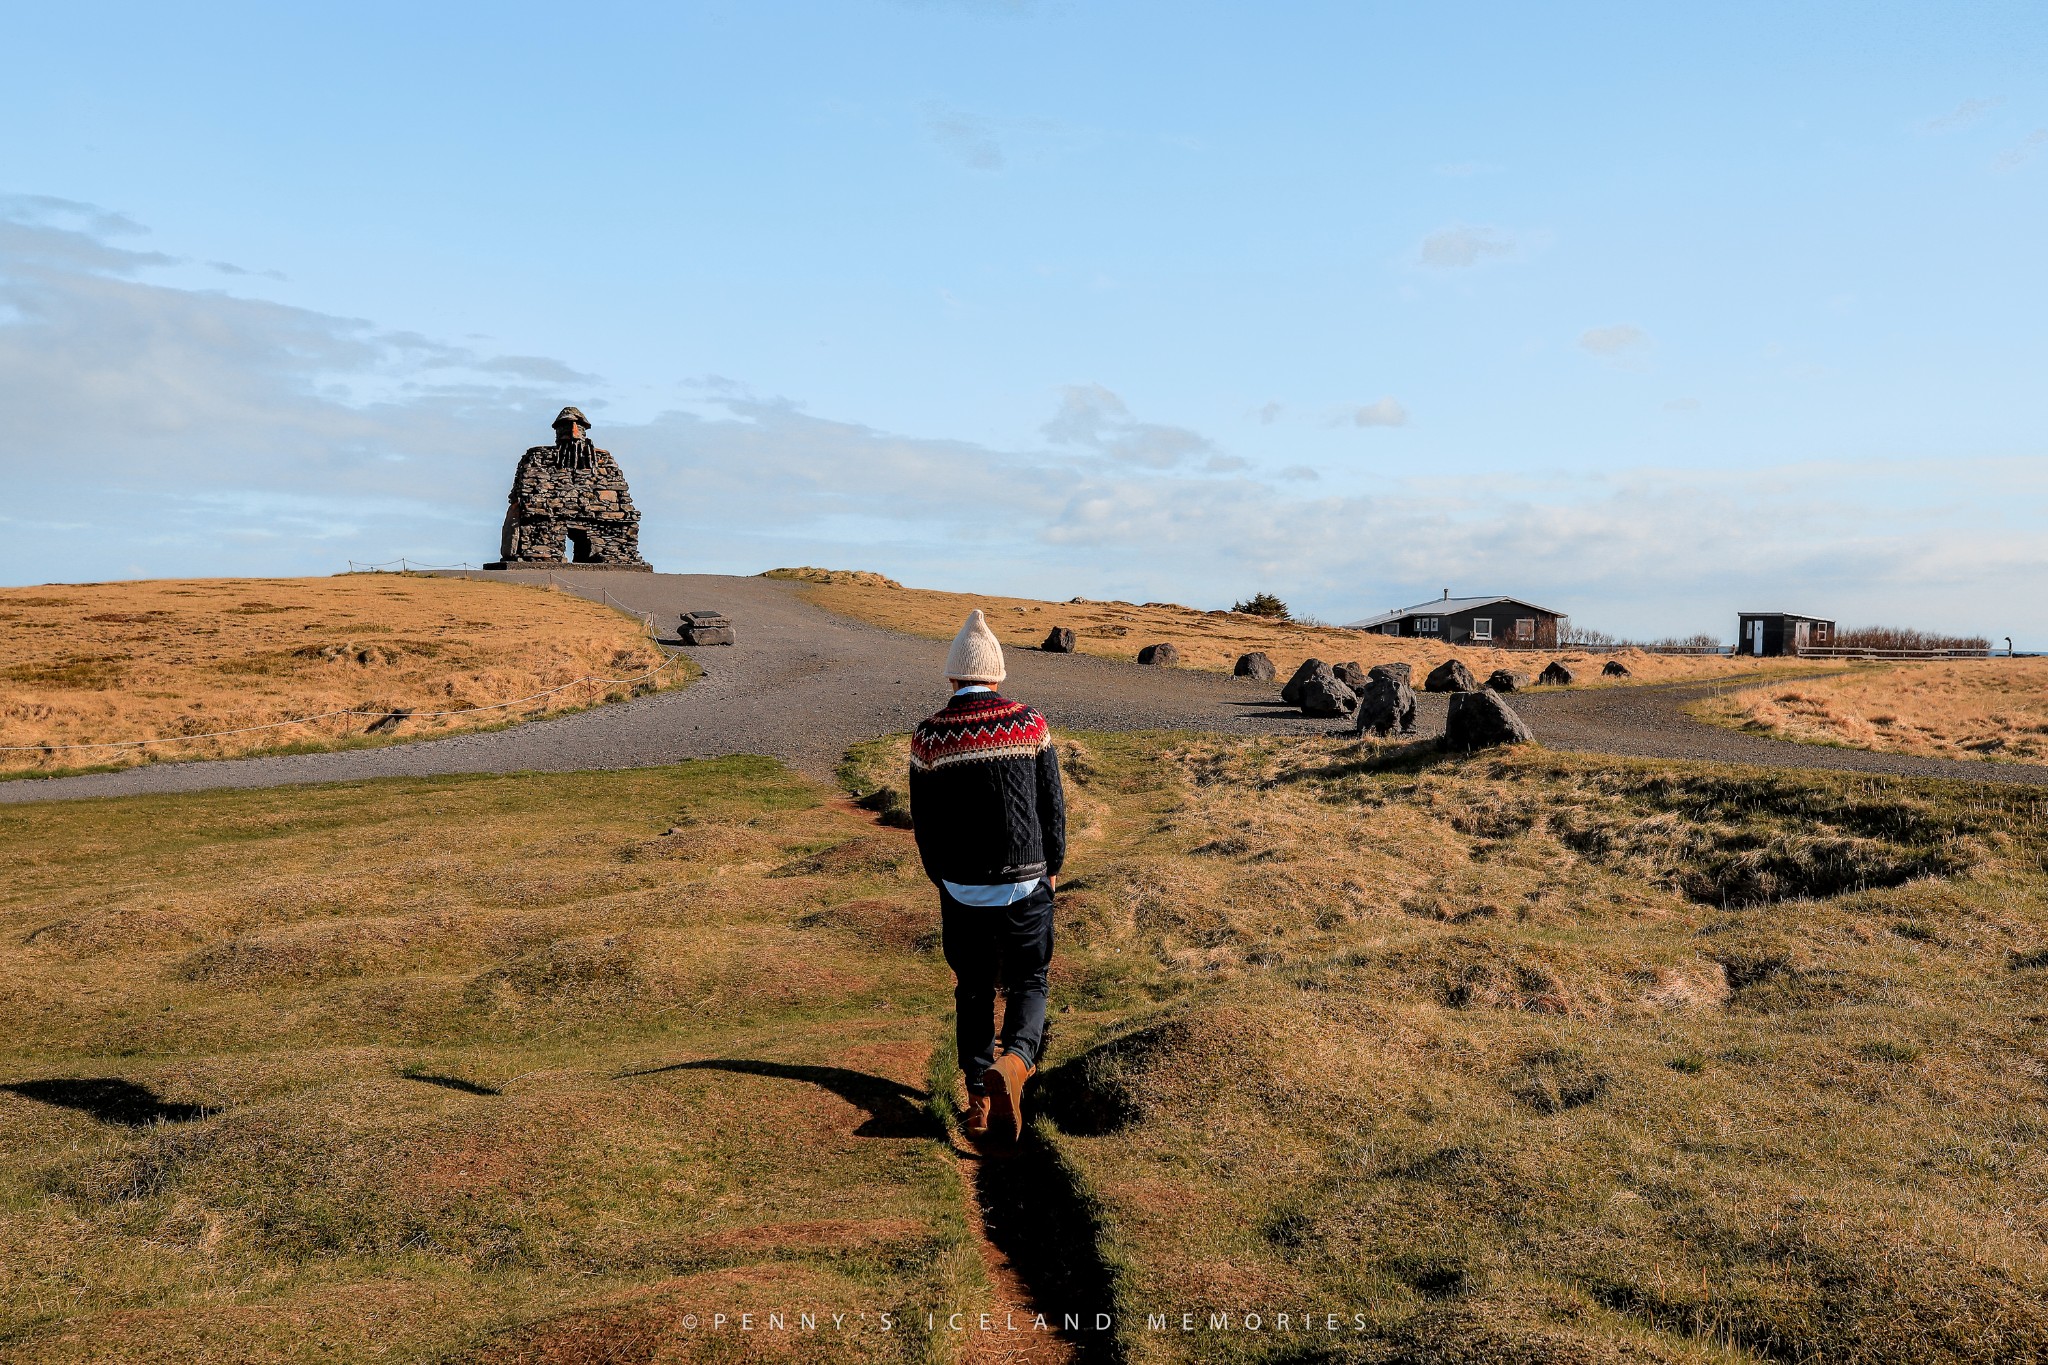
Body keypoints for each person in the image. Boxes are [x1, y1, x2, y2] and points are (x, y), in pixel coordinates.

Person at [908, 610, 1066, 1144]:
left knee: (972, 989)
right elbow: (1052, 809)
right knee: (1029, 979)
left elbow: (924, 823)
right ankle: (1017, 1062)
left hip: (962, 886)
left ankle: (978, 1099)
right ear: (996, 673)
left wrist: (942, 878)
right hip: (1026, 882)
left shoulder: (929, 736)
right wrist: (1053, 870)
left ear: (953, 676)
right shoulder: (1030, 724)